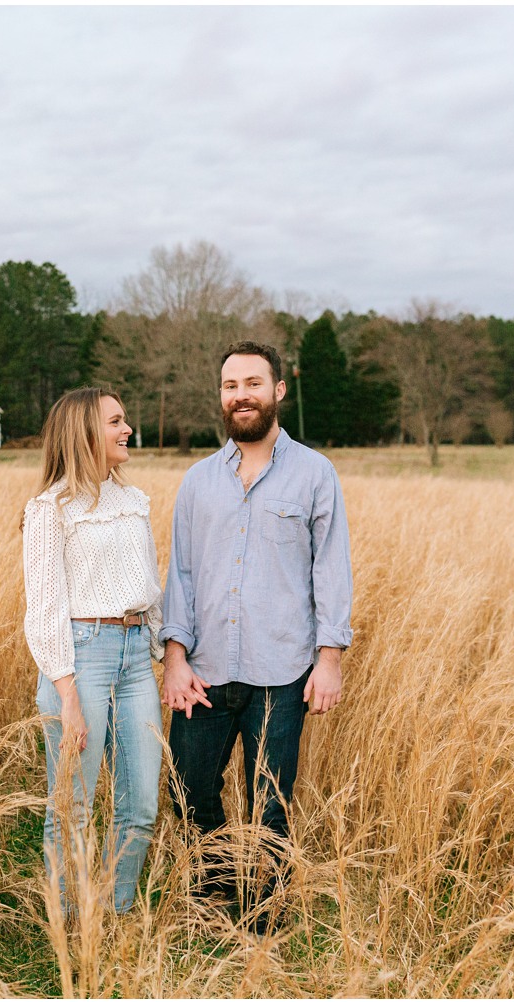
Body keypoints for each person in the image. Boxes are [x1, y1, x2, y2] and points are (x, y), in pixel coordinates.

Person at [160, 340, 353, 907]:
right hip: (204, 671)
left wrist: (330, 659)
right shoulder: (197, 481)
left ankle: (263, 911)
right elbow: (183, 574)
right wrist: (173, 657)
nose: (241, 395)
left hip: (283, 670)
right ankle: (217, 886)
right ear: (221, 396)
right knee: (189, 788)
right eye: (230, 386)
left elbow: (331, 570)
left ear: (278, 391)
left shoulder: (316, 474)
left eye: (252, 384)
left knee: (270, 800)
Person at [22, 387, 164, 914]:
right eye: (115, 422)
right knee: (72, 808)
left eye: (124, 421)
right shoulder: (50, 509)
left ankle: (114, 910)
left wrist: (163, 653)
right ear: (83, 432)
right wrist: (67, 695)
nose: (127, 430)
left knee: (142, 804)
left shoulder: (134, 502)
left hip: (134, 658)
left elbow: (149, 587)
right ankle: (70, 929)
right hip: (79, 659)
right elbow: (45, 607)